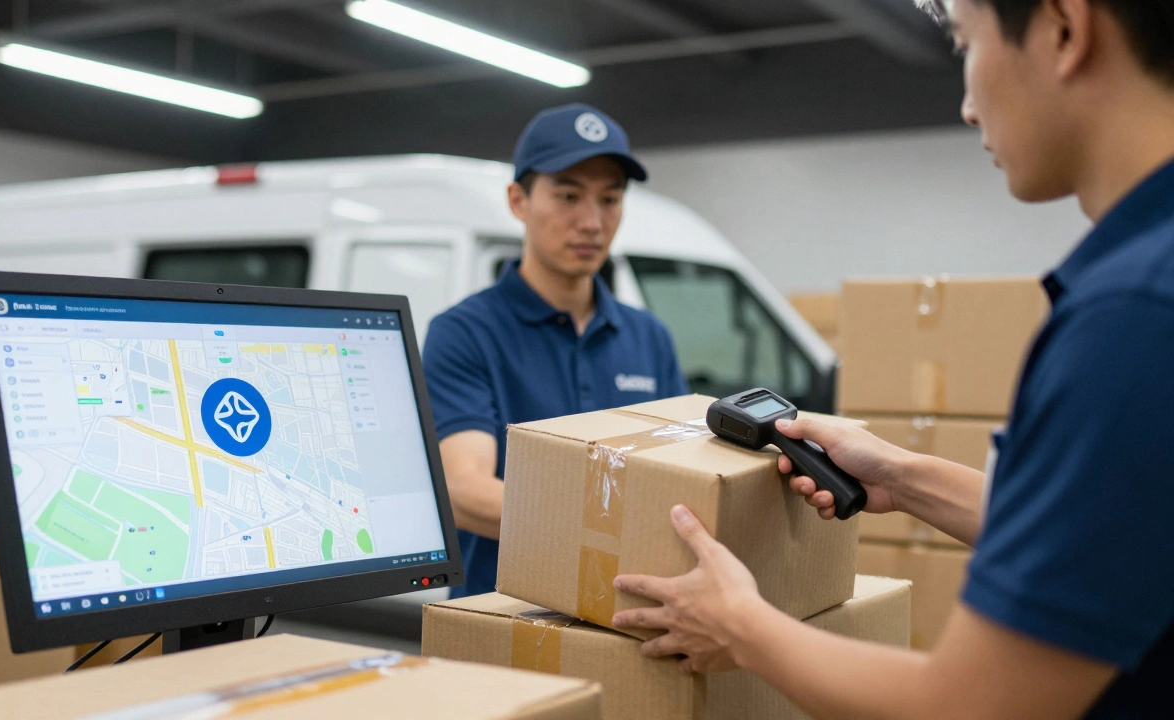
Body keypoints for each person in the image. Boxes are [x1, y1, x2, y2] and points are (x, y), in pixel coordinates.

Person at [610, 1, 1173, 717]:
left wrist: (740, 627)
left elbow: (971, 705)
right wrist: (903, 478)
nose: (969, 107)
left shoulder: (1133, 317)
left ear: (1064, 30)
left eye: (966, 45)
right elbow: (1108, 534)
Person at [422, 104, 689, 598]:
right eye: (568, 195)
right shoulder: (464, 333)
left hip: (629, 605)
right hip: (506, 613)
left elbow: (680, 475)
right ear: (518, 200)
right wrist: (614, 526)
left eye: (610, 199)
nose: (591, 221)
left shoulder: (649, 337)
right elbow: (464, 491)